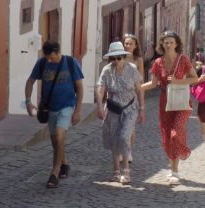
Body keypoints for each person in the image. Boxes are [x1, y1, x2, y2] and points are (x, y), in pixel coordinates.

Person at [142, 31, 198, 186]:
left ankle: (176, 168)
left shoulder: (184, 59)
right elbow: (153, 84)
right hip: (165, 103)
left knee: (176, 131)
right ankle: (172, 168)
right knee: (167, 136)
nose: (168, 44)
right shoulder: (158, 62)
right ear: (162, 44)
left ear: (176, 44)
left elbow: (195, 79)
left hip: (182, 103)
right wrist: (137, 88)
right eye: (166, 42)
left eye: (171, 42)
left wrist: (178, 81)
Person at [25, 40, 84, 188]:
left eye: (51, 57)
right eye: (47, 57)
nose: (49, 60)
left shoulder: (71, 63)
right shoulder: (42, 62)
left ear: (58, 52)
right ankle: (64, 164)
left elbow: (79, 87)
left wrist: (77, 110)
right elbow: (30, 81)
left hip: (66, 106)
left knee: (59, 136)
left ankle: (54, 173)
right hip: (50, 107)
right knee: (55, 142)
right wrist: (27, 101)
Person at [96, 41, 145, 185]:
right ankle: (116, 172)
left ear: (124, 56)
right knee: (114, 140)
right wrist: (99, 106)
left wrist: (142, 109)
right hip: (113, 110)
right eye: (114, 58)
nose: (116, 61)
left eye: (119, 57)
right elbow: (100, 88)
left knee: (124, 137)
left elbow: (139, 89)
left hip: (130, 109)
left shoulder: (132, 69)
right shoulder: (106, 70)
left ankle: (126, 171)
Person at [123, 33, 144, 164]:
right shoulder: (120, 57)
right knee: (119, 125)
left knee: (130, 125)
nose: (128, 46)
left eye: (131, 44)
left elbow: (141, 79)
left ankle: (128, 150)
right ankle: (121, 150)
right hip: (119, 93)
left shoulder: (138, 59)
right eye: (126, 43)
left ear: (135, 45)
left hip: (133, 95)